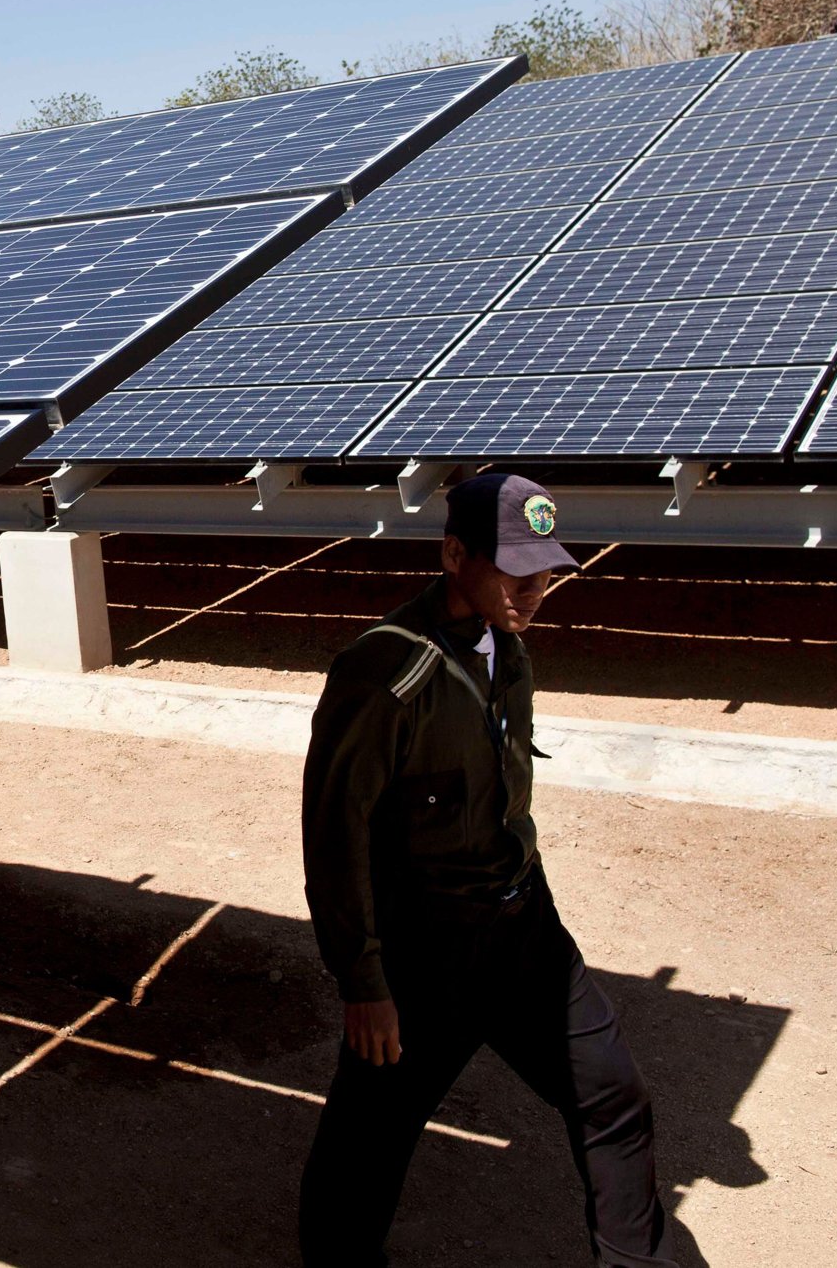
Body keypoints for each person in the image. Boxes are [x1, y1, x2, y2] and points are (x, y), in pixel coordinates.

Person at [297, 473, 672, 1266]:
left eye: (545, 571)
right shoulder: (382, 677)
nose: (535, 590)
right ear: (453, 552)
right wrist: (364, 982)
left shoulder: (510, 649)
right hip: (427, 956)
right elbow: (336, 840)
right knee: (366, 1150)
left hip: (525, 929)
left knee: (613, 1097)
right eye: (515, 570)